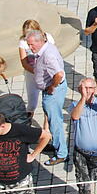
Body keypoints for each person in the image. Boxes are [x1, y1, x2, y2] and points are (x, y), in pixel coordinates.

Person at [0, 111, 51, 194]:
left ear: (2, 126)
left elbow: (46, 136)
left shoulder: (20, 130)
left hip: (20, 182)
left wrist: (33, 155)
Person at [27, 29, 68, 165]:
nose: (30, 47)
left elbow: (59, 74)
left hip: (53, 92)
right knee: (52, 120)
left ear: (39, 41)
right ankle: (57, 145)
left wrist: (52, 87)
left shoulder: (48, 55)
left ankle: (61, 153)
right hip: (51, 89)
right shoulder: (46, 47)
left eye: (32, 44)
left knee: (55, 122)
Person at [18, 20, 55, 118]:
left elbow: (53, 54)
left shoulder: (48, 38)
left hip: (47, 74)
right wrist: (37, 72)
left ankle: (46, 127)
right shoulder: (23, 42)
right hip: (32, 74)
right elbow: (24, 63)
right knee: (32, 102)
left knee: (48, 101)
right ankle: (28, 122)